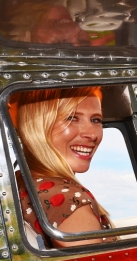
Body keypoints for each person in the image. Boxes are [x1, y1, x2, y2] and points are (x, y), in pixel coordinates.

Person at [10, 87, 112, 248]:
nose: (92, 134)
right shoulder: (71, 199)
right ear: (39, 126)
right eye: (71, 118)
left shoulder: (21, 181)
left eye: (96, 120)